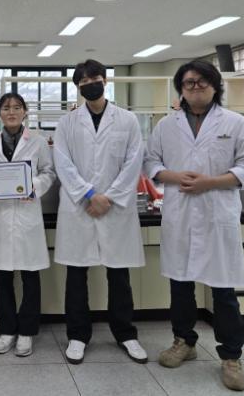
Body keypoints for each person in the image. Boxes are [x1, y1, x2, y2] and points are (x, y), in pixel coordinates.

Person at [144, 59, 244, 392]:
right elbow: (150, 161)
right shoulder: (167, 125)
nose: (195, 87)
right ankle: (184, 342)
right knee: (180, 286)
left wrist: (210, 182)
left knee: (224, 292)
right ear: (181, 89)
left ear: (215, 85)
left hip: (217, 213)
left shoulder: (234, 122)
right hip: (180, 214)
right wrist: (173, 176)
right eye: (188, 83)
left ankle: (231, 357)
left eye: (201, 82)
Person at [53, 59, 147, 365]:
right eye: (83, 81)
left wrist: (109, 197)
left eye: (94, 78)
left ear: (105, 81)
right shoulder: (67, 123)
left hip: (114, 208)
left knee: (119, 275)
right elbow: (63, 163)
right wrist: (89, 194)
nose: (90, 84)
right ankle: (77, 336)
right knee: (76, 275)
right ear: (78, 87)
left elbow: (134, 162)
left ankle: (126, 334)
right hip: (80, 206)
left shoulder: (127, 120)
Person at [0, 93, 56, 357]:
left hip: (27, 215)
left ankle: (27, 332)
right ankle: (7, 330)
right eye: (6, 108)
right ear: (0, 113)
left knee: (30, 278)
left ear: (25, 111)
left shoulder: (37, 141)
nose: (11, 112)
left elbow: (48, 172)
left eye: (16, 107)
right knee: (3, 278)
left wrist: (32, 186)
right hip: (0, 217)